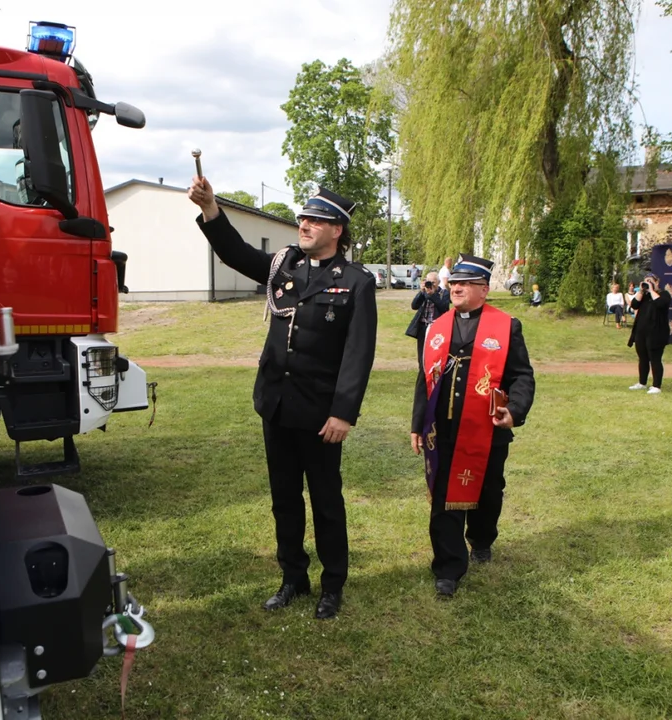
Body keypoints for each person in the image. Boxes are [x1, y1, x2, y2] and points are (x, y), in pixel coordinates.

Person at [188, 176, 377, 619]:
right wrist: (212, 210)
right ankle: (293, 577)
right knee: (284, 498)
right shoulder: (283, 266)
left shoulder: (355, 282)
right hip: (276, 404)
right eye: (304, 218)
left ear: (338, 231)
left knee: (327, 502)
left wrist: (343, 413)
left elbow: (358, 354)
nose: (305, 225)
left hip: (320, 414)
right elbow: (236, 254)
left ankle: (333, 585)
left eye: (317, 220)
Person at [410, 254, 535, 598]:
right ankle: (448, 568)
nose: (456, 288)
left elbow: (522, 376)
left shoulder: (506, 326)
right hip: (443, 429)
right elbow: (426, 378)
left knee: (487, 492)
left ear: (483, 289)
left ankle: (481, 538)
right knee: (444, 498)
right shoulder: (435, 328)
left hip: (488, 429)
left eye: (465, 283)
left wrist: (515, 410)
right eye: (454, 283)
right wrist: (417, 424)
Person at [627, 273, 671, 394]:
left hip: (656, 333)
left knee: (655, 359)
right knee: (642, 358)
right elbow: (634, 305)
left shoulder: (664, 294)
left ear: (657, 282)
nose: (648, 283)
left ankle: (656, 385)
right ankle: (642, 383)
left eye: (650, 281)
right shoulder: (644, 296)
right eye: (646, 281)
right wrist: (641, 291)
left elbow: (660, 304)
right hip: (641, 332)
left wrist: (652, 290)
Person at [406, 271, 450, 371]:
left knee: (434, 354)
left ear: (438, 283)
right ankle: (422, 371)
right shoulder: (424, 292)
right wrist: (422, 292)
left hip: (436, 328)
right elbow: (414, 306)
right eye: (428, 282)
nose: (430, 285)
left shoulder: (444, 293)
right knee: (422, 356)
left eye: (433, 282)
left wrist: (432, 295)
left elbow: (444, 308)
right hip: (423, 327)